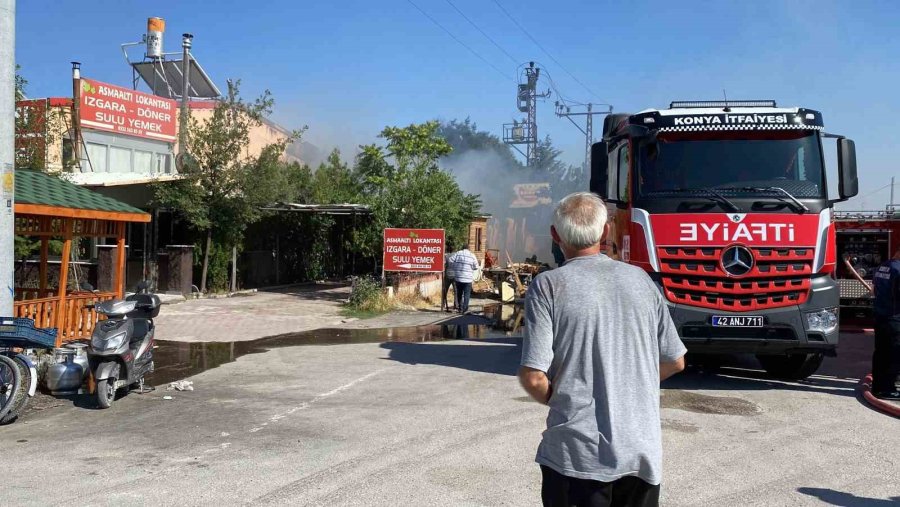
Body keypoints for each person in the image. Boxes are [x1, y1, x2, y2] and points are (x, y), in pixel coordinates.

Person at [519, 192, 687, 507]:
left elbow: (533, 376)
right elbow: (676, 360)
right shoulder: (641, 281)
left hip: (577, 456)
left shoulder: (549, 286)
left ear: (556, 236)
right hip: (641, 452)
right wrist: (631, 386)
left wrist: (566, 397)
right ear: (606, 232)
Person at [871, 248, 900, 399]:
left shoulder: (883, 266)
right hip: (894, 319)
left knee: (881, 353)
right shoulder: (898, 270)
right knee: (893, 354)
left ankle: (878, 386)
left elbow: (875, 289)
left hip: (881, 316)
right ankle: (887, 388)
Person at [446, 245, 478, 314]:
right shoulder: (472, 255)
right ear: (468, 249)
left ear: (462, 248)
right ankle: (465, 310)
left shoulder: (458, 253)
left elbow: (450, 260)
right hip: (468, 279)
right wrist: (471, 268)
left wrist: (455, 266)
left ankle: (460, 308)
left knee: (459, 293)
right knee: (467, 294)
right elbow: (476, 266)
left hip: (459, 278)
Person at [442, 244, 456, 313]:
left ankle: (443, 304)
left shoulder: (446, 256)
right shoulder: (456, 256)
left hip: (447, 275)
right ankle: (456, 304)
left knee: (445, 290)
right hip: (455, 276)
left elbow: (444, 265)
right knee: (456, 291)